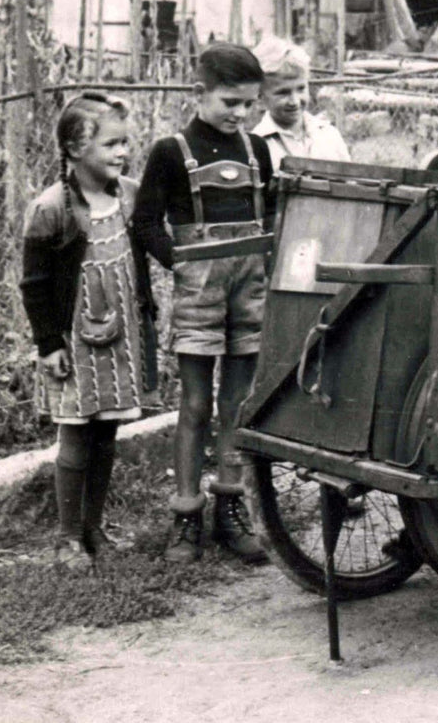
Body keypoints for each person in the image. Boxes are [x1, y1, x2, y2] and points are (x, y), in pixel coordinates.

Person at [134, 43, 276, 565]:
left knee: (236, 404)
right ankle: (186, 515)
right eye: (229, 102)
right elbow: (145, 223)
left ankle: (230, 510)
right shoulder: (170, 152)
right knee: (195, 405)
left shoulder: (257, 151)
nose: (240, 114)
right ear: (200, 93)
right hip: (199, 292)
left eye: (249, 104)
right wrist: (183, 264)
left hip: (251, 290)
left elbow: (275, 216)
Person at [21, 92, 157, 569]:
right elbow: (35, 284)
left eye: (125, 143)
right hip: (73, 343)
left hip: (118, 338)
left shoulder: (130, 196)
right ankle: (67, 535)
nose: (123, 153)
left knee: (106, 431)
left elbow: (145, 254)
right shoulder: (52, 208)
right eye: (111, 145)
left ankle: (94, 527)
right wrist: (47, 344)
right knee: (75, 435)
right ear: (76, 150)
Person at [251, 35, 351, 167]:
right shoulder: (256, 144)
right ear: (260, 97)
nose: (295, 101)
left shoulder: (329, 135)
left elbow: (350, 183)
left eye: (301, 89)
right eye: (283, 92)